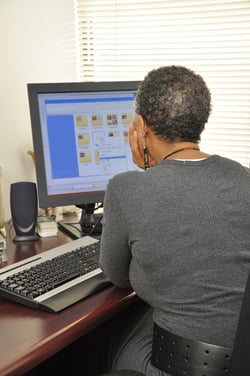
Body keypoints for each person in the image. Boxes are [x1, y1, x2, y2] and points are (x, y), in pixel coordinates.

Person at [98, 65, 250, 376]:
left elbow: (116, 275)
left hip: (174, 366)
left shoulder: (127, 188)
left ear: (141, 126)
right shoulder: (244, 176)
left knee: (102, 342)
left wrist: (147, 173)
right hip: (239, 359)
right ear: (200, 123)